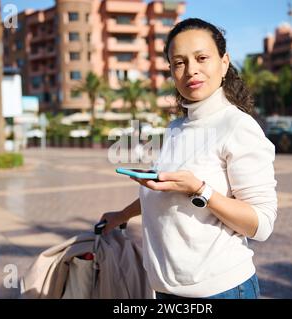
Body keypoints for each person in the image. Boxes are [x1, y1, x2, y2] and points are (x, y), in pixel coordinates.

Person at [99, 18, 277, 299]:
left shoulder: (237, 126)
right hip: (164, 289)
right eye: (179, 62)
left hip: (220, 289)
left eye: (202, 58)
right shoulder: (176, 129)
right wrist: (122, 215)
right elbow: (169, 193)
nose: (191, 70)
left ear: (224, 62)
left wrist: (200, 189)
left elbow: (261, 224)